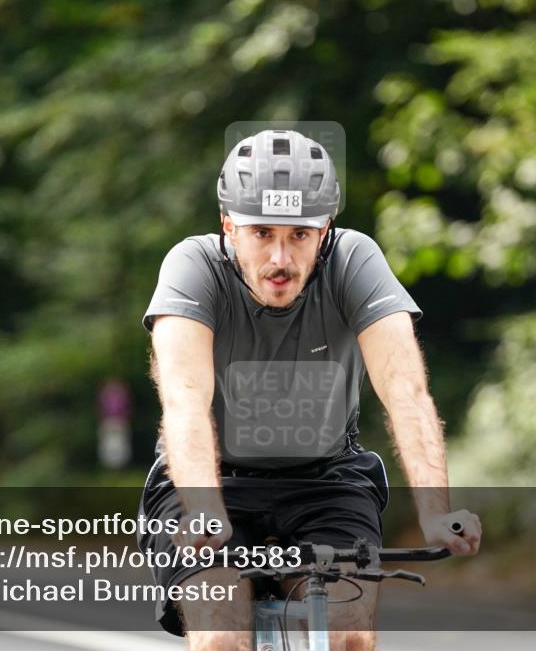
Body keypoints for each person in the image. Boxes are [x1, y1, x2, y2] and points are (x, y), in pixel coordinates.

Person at [137, 129, 481, 651]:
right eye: (261, 233)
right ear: (229, 227)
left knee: (349, 637)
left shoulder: (353, 260)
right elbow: (184, 402)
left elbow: (407, 391)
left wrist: (436, 510)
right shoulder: (192, 267)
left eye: (299, 236)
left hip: (327, 481)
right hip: (212, 483)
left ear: (325, 230)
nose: (280, 259)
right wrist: (205, 506)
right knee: (221, 639)